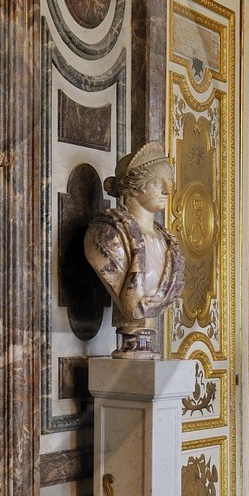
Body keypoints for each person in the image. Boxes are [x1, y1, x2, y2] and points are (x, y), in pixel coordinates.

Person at [84, 142, 185, 356]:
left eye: (170, 183)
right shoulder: (106, 236)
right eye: (158, 182)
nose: (168, 190)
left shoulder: (168, 243)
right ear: (135, 185)